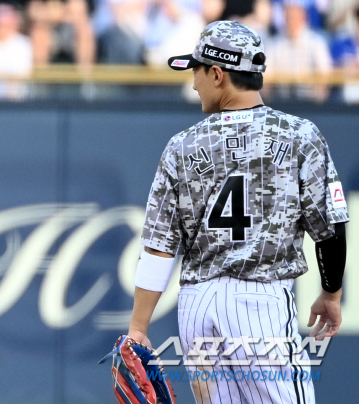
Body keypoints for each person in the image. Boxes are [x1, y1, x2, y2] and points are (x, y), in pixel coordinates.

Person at [127, 20, 348, 404]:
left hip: (196, 308)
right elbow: (330, 229)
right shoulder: (299, 134)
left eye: (196, 71)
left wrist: (138, 326)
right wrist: (331, 294)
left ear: (218, 74)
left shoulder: (181, 145)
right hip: (259, 302)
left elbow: (160, 247)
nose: (193, 82)